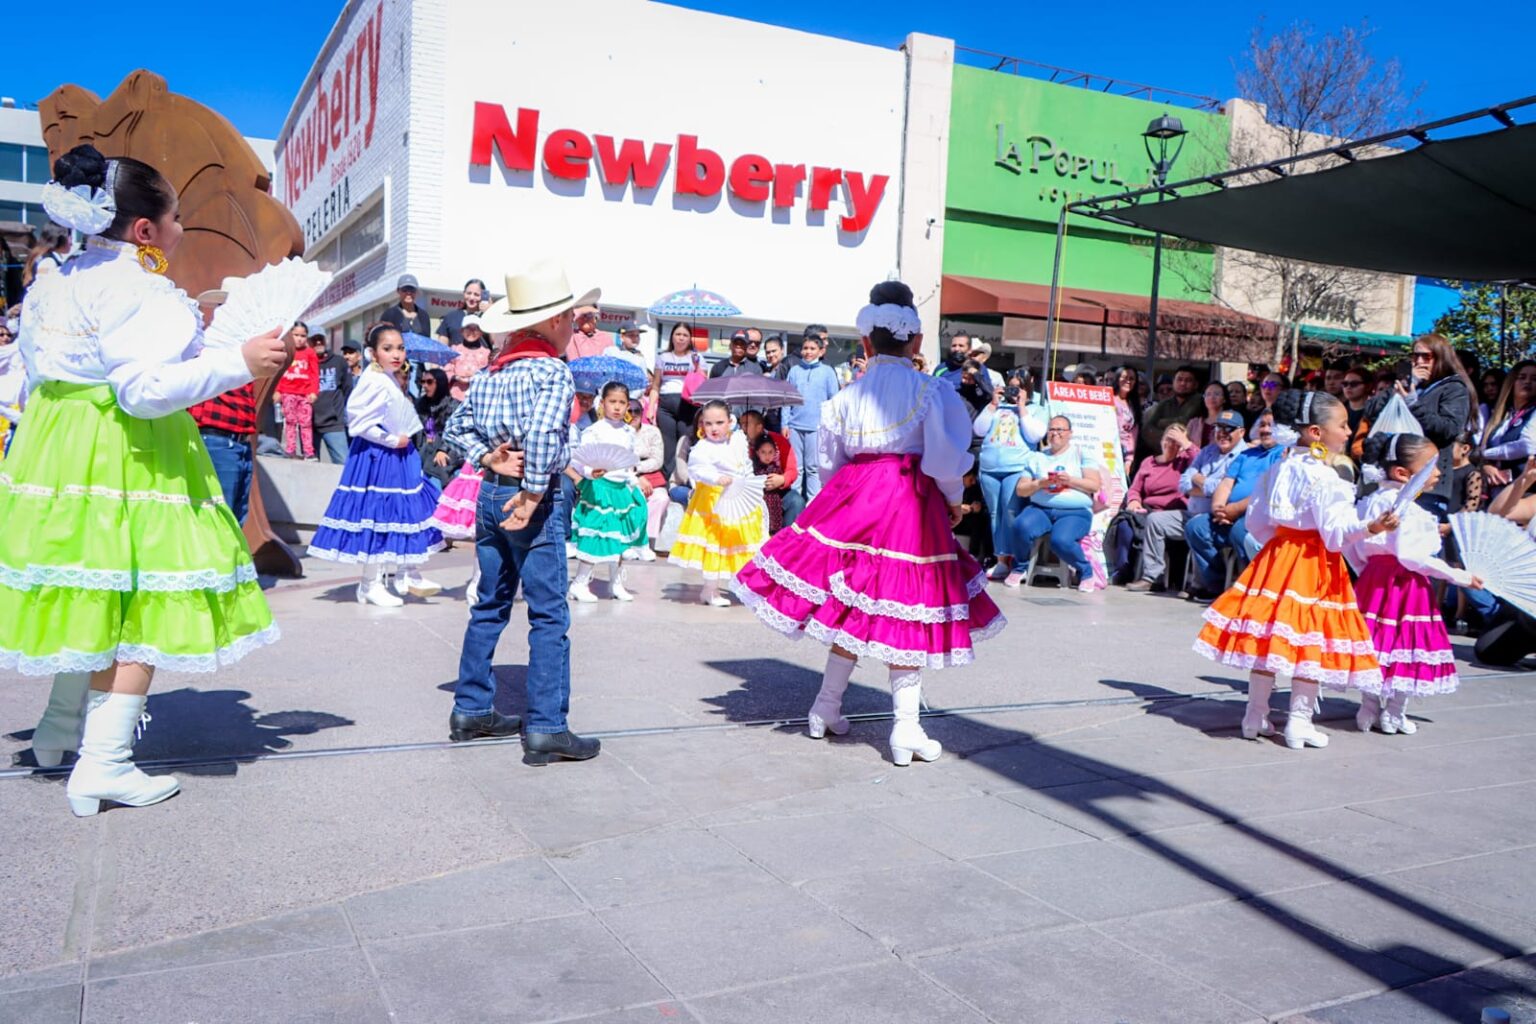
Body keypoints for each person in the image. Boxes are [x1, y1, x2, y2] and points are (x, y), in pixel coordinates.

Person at [1, 143, 286, 815]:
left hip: (55, 453)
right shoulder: (141, 287)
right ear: (145, 230)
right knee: (138, 607)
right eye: (177, 216)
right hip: (126, 456)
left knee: (85, 595)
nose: (183, 228)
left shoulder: (54, 281)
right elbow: (143, 390)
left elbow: (26, 378)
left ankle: (57, 732)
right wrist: (237, 362)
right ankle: (104, 764)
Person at [733, 280, 1005, 766]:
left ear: (865, 343)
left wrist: (845, 502)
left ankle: (825, 707)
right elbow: (945, 460)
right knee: (905, 607)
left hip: (853, 501)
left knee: (851, 603)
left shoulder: (846, 396)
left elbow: (831, 462)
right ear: (917, 342)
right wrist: (952, 500)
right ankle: (905, 728)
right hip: (909, 502)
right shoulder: (933, 391)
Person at [441, 257, 600, 764]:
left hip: (489, 491)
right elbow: (546, 433)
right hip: (531, 498)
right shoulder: (552, 371)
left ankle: (471, 708)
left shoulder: (490, 373)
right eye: (570, 317)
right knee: (549, 613)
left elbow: (454, 429)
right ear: (552, 321)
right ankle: (548, 726)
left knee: (490, 602)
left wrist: (488, 456)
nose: (574, 324)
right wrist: (532, 494)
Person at [1194, 390, 1398, 750]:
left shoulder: (1277, 468)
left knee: (1270, 640)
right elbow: (1336, 534)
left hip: (1277, 557)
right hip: (1313, 564)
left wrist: (1284, 540)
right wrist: (1371, 528)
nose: (1349, 431)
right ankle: (1299, 723)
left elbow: (1257, 522)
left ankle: (1254, 716)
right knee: (1309, 643)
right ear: (1316, 432)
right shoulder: (1327, 477)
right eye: (1343, 424)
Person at [1349, 433, 1480, 735]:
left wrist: (1366, 571)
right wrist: (1458, 575)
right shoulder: (1408, 509)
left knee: (1377, 642)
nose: (1438, 473)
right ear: (1402, 473)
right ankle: (1394, 711)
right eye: (1431, 466)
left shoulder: (1370, 502)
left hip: (1374, 581)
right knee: (1407, 643)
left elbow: (1353, 544)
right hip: (1405, 586)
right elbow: (1411, 556)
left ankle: (1369, 706)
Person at [308, 324, 445, 606]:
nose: (396, 354)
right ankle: (370, 583)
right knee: (378, 516)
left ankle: (407, 573)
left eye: (400, 348)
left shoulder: (389, 377)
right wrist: (392, 439)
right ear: (372, 353)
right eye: (388, 348)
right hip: (378, 456)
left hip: (397, 455)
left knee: (406, 512)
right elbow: (358, 422)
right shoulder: (372, 379)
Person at [670, 400, 767, 607]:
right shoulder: (702, 447)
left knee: (738, 543)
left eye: (719, 422)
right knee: (714, 544)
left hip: (736, 497)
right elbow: (697, 470)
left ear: (729, 422)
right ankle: (710, 589)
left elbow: (745, 465)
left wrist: (747, 483)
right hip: (712, 500)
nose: (714, 428)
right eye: (709, 423)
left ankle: (743, 587)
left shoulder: (737, 441)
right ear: (701, 425)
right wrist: (715, 478)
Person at [1185, 412, 1286, 598]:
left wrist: (1235, 509)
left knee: (1241, 531)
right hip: (1227, 515)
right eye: (1262, 425)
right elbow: (1226, 483)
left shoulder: (1283, 454)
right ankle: (1215, 585)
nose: (1265, 429)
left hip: (1257, 517)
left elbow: (1269, 492)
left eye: (1270, 425)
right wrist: (1218, 508)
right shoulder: (1246, 455)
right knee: (1196, 527)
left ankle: (1251, 587)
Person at [569, 382, 648, 602]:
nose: (617, 407)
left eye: (622, 403)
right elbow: (580, 460)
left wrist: (634, 480)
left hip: (621, 489)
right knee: (596, 533)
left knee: (620, 537)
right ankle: (580, 582)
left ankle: (616, 583)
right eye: (612, 401)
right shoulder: (594, 431)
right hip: (599, 488)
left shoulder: (628, 433)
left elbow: (629, 463)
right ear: (602, 403)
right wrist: (589, 472)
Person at [1010, 416, 1103, 592]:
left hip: (1074, 512)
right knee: (1020, 525)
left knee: (1061, 540)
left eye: (1060, 430)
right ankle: (1019, 567)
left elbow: (1094, 484)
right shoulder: (1036, 457)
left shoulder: (1081, 454)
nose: (1055, 433)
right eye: (1052, 429)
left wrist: (1070, 480)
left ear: (1070, 433)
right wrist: (1039, 484)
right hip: (1041, 509)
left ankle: (1085, 571)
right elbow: (1021, 490)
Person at [973, 382, 1047, 582]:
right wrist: (992, 404)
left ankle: (1016, 561)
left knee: (1010, 512)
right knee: (996, 514)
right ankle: (1001, 560)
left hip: (1016, 468)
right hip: (989, 469)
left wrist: (1022, 407)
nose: (1012, 392)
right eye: (1009, 387)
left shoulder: (1036, 409)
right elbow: (978, 429)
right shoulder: (997, 408)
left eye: (1017, 388)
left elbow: (1036, 434)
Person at [1400, 333, 1475, 521]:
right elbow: (1373, 408)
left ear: (1441, 358)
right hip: (1401, 476)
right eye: (1415, 356)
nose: (1419, 362)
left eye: (1426, 357)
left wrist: (1413, 404)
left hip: (1429, 482)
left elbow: (1449, 429)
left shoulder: (1454, 388)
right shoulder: (1413, 386)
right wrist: (1409, 385)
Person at [1113, 423, 1196, 591]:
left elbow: (1201, 459)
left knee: (1154, 522)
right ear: (1161, 441)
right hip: (1147, 509)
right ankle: (1123, 570)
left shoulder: (1185, 463)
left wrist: (1186, 444)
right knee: (1124, 525)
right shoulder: (1149, 462)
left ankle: (1153, 577)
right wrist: (1134, 501)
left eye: (1175, 441)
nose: (1170, 444)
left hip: (1173, 513)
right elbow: (1135, 488)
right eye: (1168, 439)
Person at [1178, 410, 1248, 600]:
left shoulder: (1244, 454)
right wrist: (1206, 484)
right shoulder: (1207, 451)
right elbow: (1183, 483)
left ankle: (1213, 584)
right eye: (1219, 427)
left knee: (1198, 527)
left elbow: (1224, 487)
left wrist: (1198, 479)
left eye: (1229, 429)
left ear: (1241, 432)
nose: (1222, 432)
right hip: (1192, 509)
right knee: (1155, 521)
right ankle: (1154, 578)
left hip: (1223, 515)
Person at [784, 328, 840, 504]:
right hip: (794, 426)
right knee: (796, 468)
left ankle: (812, 506)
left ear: (821, 351)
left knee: (813, 468)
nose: (808, 352)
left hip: (816, 428)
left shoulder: (828, 372)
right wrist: (784, 424)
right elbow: (787, 399)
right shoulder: (794, 371)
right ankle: (795, 506)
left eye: (812, 348)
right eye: (805, 348)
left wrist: (830, 427)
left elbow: (834, 401)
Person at [653, 322, 704, 480]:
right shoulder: (662, 357)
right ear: (672, 337)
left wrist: (697, 367)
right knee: (668, 445)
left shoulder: (697, 357)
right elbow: (656, 385)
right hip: (665, 405)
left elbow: (703, 381)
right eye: (678, 334)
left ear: (690, 339)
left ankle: (685, 479)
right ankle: (668, 480)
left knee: (685, 443)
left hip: (687, 405)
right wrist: (650, 409)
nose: (681, 338)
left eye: (685, 335)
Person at [1480, 360, 1536, 495]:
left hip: (1526, 493)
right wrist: (1486, 466)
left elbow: (1529, 445)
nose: (1527, 382)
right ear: (1511, 382)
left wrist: (1485, 454)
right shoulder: (1503, 415)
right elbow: (1482, 443)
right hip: (1496, 493)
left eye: (1534, 379)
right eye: (1522, 377)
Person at [739, 409, 802, 528]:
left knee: (796, 501)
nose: (742, 428)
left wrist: (782, 479)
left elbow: (792, 470)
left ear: (759, 427)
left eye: (746, 424)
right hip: (751, 495)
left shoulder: (779, 441)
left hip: (778, 493)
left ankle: (786, 540)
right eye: (741, 424)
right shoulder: (739, 444)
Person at [626, 398, 666, 561]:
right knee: (635, 496)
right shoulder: (621, 432)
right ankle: (630, 540)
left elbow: (657, 459)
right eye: (630, 411)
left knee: (661, 498)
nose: (633, 415)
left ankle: (644, 541)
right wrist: (636, 475)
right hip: (626, 476)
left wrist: (638, 468)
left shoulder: (653, 431)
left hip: (649, 474)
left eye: (637, 411)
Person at [276, 320, 319, 459]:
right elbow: (277, 372)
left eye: (303, 336)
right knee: (290, 422)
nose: (299, 339)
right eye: (296, 335)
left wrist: (313, 391)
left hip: (305, 394)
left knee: (306, 423)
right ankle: (291, 449)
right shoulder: (285, 351)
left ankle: (308, 451)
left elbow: (314, 374)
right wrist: (277, 391)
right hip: (287, 392)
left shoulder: (310, 353)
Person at [311, 331, 355, 465]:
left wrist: (341, 414)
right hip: (309, 425)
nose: (318, 342)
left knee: (343, 464)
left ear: (326, 340)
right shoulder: (304, 363)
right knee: (308, 468)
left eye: (321, 339)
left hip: (334, 423)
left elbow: (348, 390)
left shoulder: (339, 361)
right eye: (314, 339)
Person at [1139, 366, 1202, 457]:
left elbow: (1184, 422)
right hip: (1163, 453)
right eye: (1179, 379)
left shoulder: (1199, 401)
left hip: (1188, 455)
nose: (1183, 383)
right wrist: (1168, 442)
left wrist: (1160, 422)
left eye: (1188, 380)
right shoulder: (1165, 403)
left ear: (1196, 384)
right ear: (1173, 382)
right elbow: (1148, 429)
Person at [415, 367, 459, 488]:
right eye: (422, 382)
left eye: (429, 382)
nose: (424, 385)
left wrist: (443, 449)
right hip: (424, 446)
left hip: (446, 447)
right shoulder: (420, 404)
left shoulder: (453, 404)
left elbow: (454, 431)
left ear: (440, 383)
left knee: (440, 464)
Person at [444, 314, 491, 403]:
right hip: (455, 396)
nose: (471, 332)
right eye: (468, 328)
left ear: (481, 332)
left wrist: (475, 379)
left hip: (477, 397)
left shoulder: (486, 353)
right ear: (461, 331)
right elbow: (446, 371)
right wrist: (457, 378)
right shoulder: (454, 350)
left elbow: (488, 374)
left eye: (475, 329)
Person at [435, 278, 490, 346]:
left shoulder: (488, 318)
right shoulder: (450, 317)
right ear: (464, 293)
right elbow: (441, 347)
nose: (472, 298)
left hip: (483, 356)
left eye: (476, 295)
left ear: (483, 296)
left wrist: (491, 312)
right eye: (468, 293)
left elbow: (496, 342)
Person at [0, 320, 27, 459]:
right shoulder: (6, 353)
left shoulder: (14, 356)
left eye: (8, 335)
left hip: (14, 415)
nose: (6, 338)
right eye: (1, 335)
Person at [752, 433, 788, 535]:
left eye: (770, 452)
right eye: (763, 452)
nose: (767, 456)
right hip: (760, 501)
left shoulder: (776, 468)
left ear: (774, 453)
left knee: (774, 526)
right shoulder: (755, 468)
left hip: (774, 502)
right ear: (758, 453)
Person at [21, 223, 71, 291]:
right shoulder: (48, 261)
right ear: (59, 238)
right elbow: (44, 290)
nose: (71, 241)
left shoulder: (42, 256)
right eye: (69, 236)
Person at [1185, 381, 1229, 449]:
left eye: (1216, 394)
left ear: (1224, 399)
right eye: (1208, 394)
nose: (1212, 397)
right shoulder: (1194, 423)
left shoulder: (1230, 422)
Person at [1111, 367, 1140, 464]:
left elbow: (1133, 434)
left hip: (1124, 452)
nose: (1128, 381)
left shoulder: (1134, 404)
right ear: (1117, 378)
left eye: (1131, 379)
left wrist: (1129, 460)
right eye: (1124, 377)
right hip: (1108, 448)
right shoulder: (1108, 398)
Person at [1341, 366, 1370, 439]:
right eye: (1345, 384)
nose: (1348, 387)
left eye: (1354, 384)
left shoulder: (1373, 411)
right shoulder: (1339, 409)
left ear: (1368, 386)